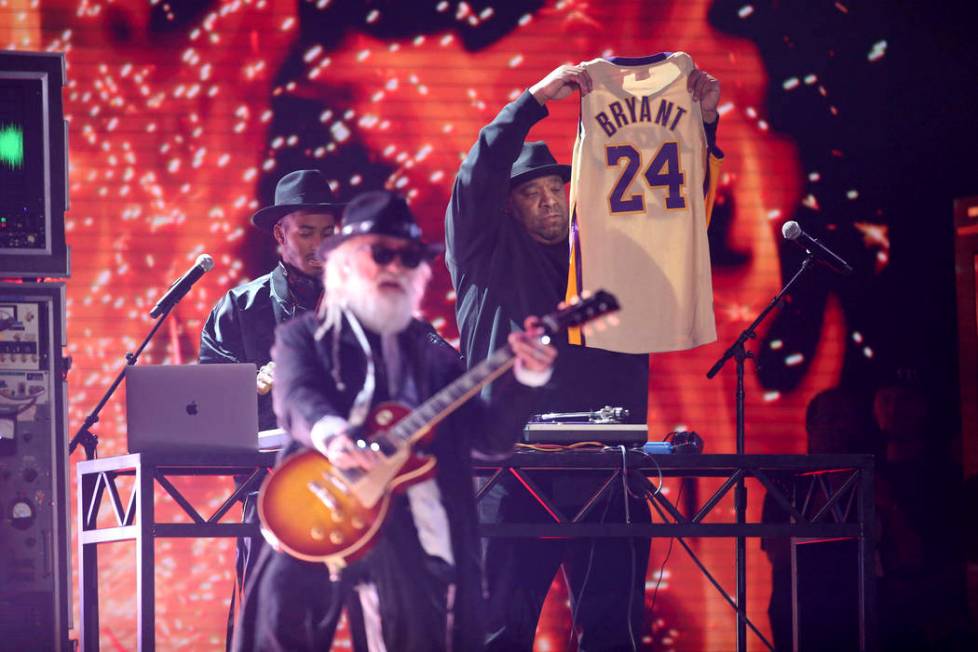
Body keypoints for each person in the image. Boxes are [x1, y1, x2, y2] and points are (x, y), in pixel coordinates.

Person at [445, 62, 722, 650]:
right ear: (506, 203)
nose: (550, 203)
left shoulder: (610, 252)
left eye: (557, 190)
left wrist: (703, 123)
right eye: (532, 193)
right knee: (496, 635)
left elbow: (680, 214)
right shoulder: (483, 252)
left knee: (611, 634)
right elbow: (476, 175)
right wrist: (532, 101)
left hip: (608, 468)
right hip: (509, 470)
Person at [232, 190, 558, 651]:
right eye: (380, 253)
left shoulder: (433, 359)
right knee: (284, 623)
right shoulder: (305, 338)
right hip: (317, 508)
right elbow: (298, 396)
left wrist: (528, 374)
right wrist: (335, 435)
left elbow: (488, 437)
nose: (393, 268)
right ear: (344, 263)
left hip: (404, 528)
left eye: (406, 258)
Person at [198, 168, 343, 642]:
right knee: (264, 626)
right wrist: (256, 385)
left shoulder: (363, 304)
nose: (319, 244)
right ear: (280, 233)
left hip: (351, 492)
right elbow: (204, 408)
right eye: (307, 232)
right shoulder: (240, 309)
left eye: (328, 232)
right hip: (268, 493)